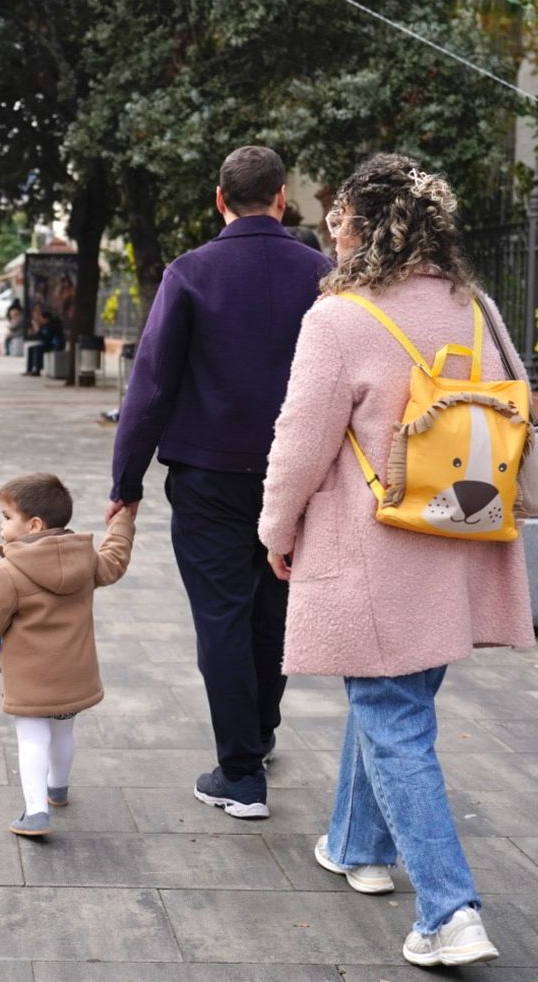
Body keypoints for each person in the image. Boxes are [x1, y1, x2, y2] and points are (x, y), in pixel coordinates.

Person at [258, 154, 533, 968]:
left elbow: (300, 442)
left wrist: (275, 529)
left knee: (392, 714)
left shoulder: (342, 317)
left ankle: (450, 912)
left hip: (375, 546)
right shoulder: (474, 306)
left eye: (339, 220)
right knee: (394, 695)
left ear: (369, 225)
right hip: (460, 537)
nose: (331, 234)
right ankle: (355, 845)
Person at [108, 146, 331, 820]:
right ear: (282, 198)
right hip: (298, 477)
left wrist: (128, 480)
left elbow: (151, 385)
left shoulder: (190, 273)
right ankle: (258, 732)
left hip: (208, 476)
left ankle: (240, 773)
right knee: (274, 609)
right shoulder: (324, 275)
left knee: (223, 616)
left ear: (219, 199)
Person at [0, 473, 134, 837]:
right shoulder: (86, 558)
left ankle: (35, 812)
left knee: (31, 739)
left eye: (6, 516)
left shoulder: (8, 572)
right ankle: (57, 789)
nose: (1, 524)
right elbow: (115, 559)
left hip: (31, 680)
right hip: (74, 673)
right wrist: (123, 520)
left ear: (34, 525)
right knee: (63, 731)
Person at [23, 306, 63, 376]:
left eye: (41, 318)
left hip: (54, 345)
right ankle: (29, 369)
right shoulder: (44, 326)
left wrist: (38, 331)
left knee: (38, 349)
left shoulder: (51, 326)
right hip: (47, 344)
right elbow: (41, 337)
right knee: (31, 348)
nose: (40, 320)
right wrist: (37, 331)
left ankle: (37, 370)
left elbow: (47, 339)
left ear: (46, 319)